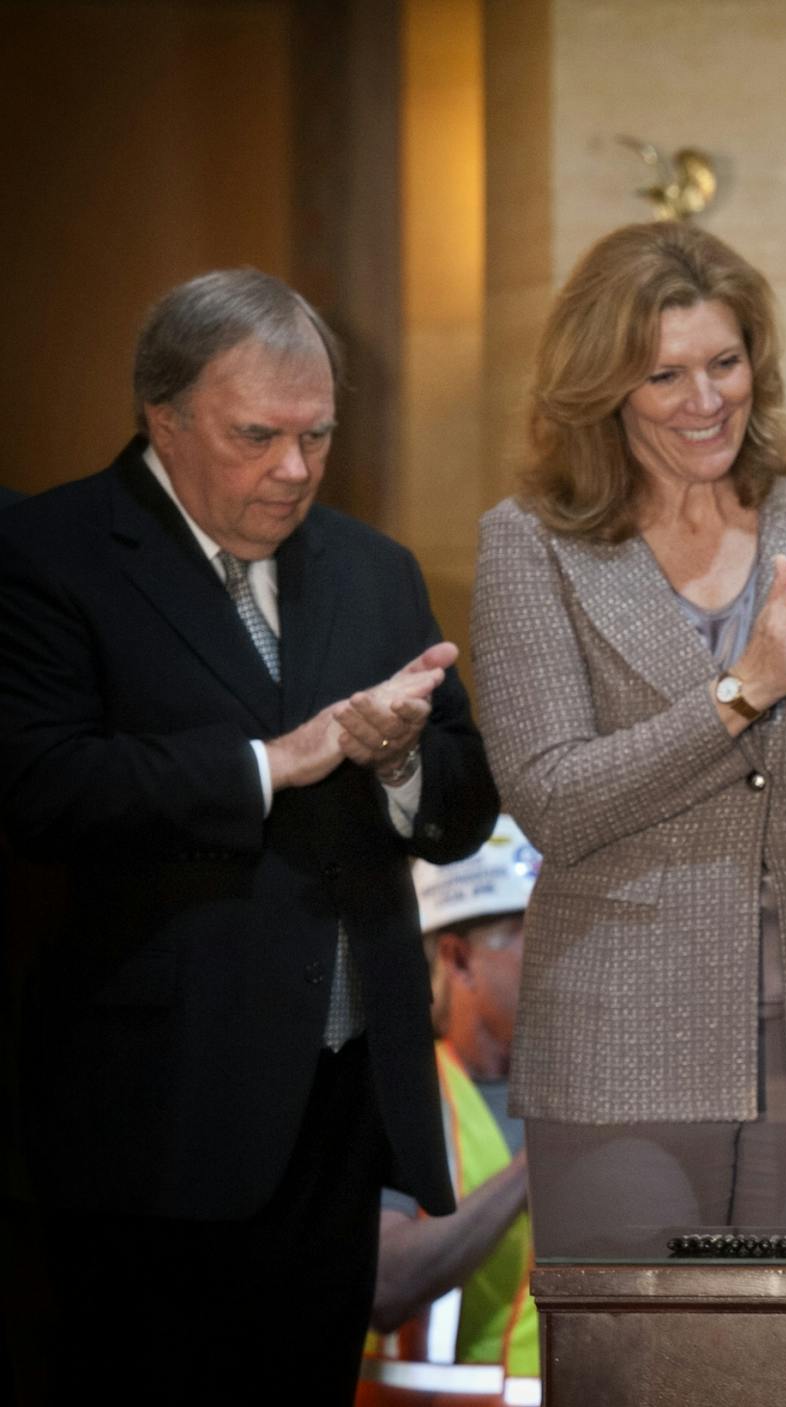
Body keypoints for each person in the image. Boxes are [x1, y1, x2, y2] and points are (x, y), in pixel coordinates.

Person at [0, 268, 498, 1396]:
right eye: (258, 436)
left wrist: (403, 758)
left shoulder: (373, 569)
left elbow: (465, 803)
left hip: (338, 1101)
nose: (294, 469)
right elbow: (41, 789)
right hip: (152, 1116)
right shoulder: (52, 555)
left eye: (317, 436)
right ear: (162, 416)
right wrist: (271, 766)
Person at [471, 222, 786, 1256]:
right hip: (619, 1039)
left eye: (725, 363)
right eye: (665, 375)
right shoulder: (531, 539)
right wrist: (742, 690)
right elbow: (556, 801)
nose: (706, 400)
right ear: (604, 388)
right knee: (633, 1370)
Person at [361, 816, 541, 1402]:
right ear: (459, 959)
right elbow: (383, 1286)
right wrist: (540, 1161)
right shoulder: (398, 1095)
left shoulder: (591, 1093)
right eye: (531, 938)